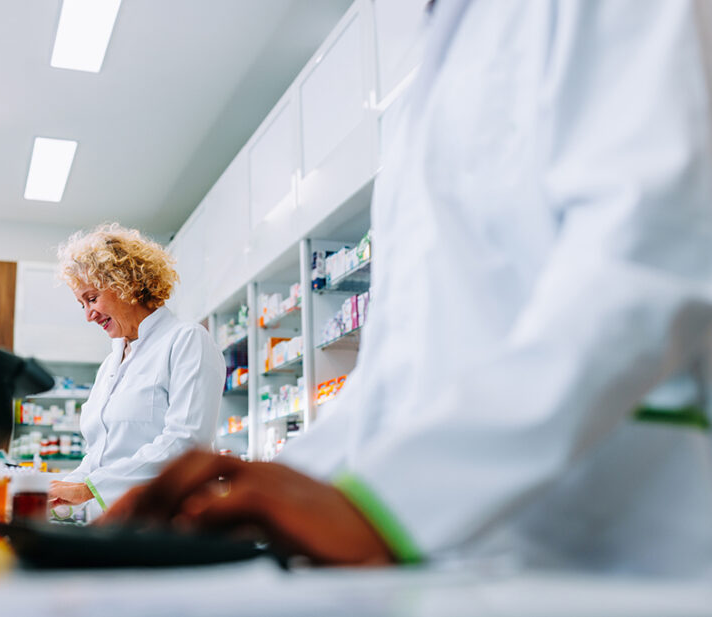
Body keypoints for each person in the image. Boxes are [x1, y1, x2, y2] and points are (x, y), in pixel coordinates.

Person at [103, 0, 712, 574]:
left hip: (614, 554)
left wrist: (386, 503)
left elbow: (641, 269)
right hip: (450, 561)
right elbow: (398, 371)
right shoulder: (432, 68)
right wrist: (249, 496)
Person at [48, 223, 226, 515]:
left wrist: (91, 488)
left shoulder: (186, 340)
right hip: (110, 526)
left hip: (165, 525)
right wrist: (56, 494)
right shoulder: (110, 363)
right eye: (82, 304)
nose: (88, 315)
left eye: (92, 299)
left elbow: (186, 442)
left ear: (125, 285)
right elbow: (99, 456)